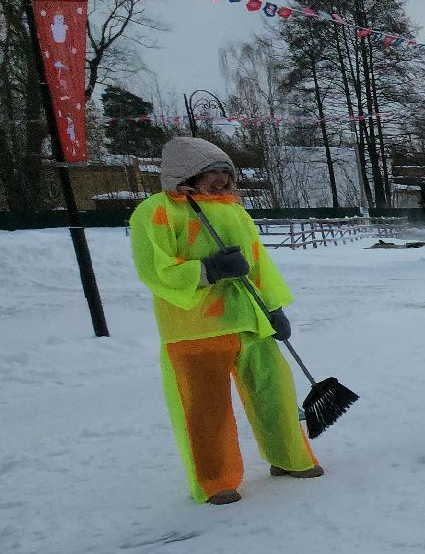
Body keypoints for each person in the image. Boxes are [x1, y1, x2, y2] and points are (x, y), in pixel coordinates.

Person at [128, 137, 322, 505]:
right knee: (205, 408)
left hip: (250, 320)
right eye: (211, 172)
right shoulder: (157, 211)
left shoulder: (234, 211)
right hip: (195, 328)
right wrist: (207, 270)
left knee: (276, 394)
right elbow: (154, 268)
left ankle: (288, 458)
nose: (220, 179)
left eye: (225, 172)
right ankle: (215, 480)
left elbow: (259, 264)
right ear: (187, 174)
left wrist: (274, 308)